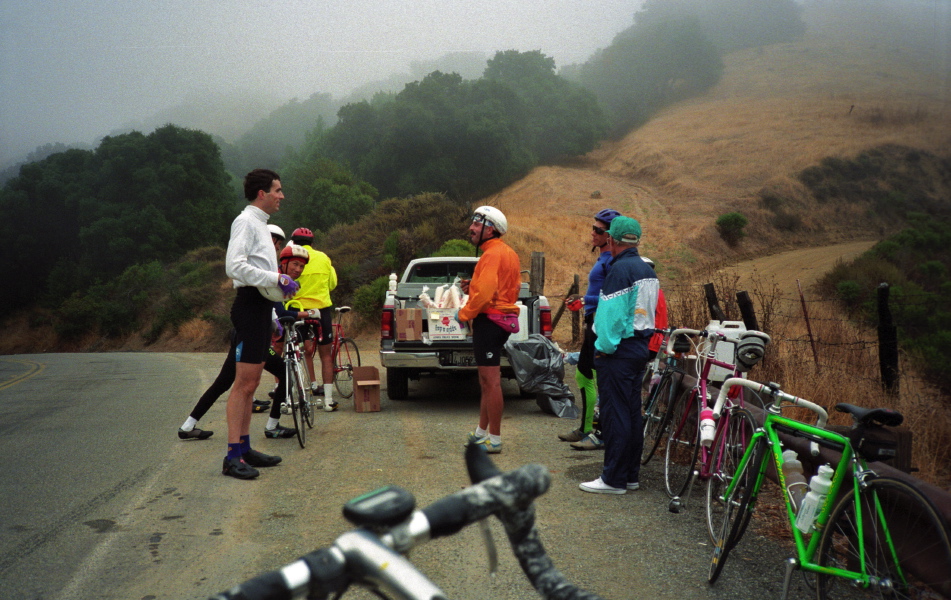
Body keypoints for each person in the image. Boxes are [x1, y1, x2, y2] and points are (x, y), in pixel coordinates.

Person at [177, 223, 298, 441]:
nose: (275, 248)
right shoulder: (261, 266)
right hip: (249, 332)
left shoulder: (264, 267)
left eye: (278, 245)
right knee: (282, 374)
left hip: (248, 331)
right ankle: (272, 426)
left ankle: (188, 425)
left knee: (224, 382)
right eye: (274, 242)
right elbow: (266, 298)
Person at [220, 168, 299, 480]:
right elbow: (234, 266)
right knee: (243, 385)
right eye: (277, 190)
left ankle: (245, 447)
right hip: (250, 305)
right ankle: (232, 456)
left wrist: (273, 312)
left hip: (261, 307)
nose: (281, 196)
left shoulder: (260, 224)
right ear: (262, 193)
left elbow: (255, 269)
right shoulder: (246, 222)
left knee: (252, 385)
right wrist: (276, 277)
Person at [580, 216, 659, 494]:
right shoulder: (647, 270)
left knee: (615, 415)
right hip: (640, 348)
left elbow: (610, 319)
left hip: (619, 350)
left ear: (612, 239)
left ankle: (612, 479)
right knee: (632, 414)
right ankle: (630, 476)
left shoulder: (619, 269)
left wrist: (603, 348)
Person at [456, 206, 522, 454]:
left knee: (491, 382)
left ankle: (494, 439)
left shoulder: (492, 255)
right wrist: (472, 285)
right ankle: (481, 433)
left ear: (490, 228)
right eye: (472, 223)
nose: (470, 229)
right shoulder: (506, 252)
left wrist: (464, 314)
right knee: (486, 381)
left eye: (476, 224)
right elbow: (502, 287)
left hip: (490, 321)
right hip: (499, 319)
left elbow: (485, 295)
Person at [559, 208, 621, 450]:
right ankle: (586, 429)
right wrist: (584, 299)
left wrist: (585, 301)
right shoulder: (603, 258)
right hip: (592, 321)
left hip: (600, 322)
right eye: (592, 228)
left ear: (610, 235)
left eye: (598, 230)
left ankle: (598, 432)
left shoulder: (611, 261)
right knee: (583, 374)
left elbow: (612, 296)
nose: (592, 233)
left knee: (594, 377)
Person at [288, 227, 339, 412]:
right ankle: (328, 400)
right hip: (321, 310)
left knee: (298, 353)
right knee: (326, 355)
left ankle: (302, 392)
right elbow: (332, 284)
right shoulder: (324, 258)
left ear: (293, 242)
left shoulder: (290, 260)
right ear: (312, 243)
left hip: (297, 310)